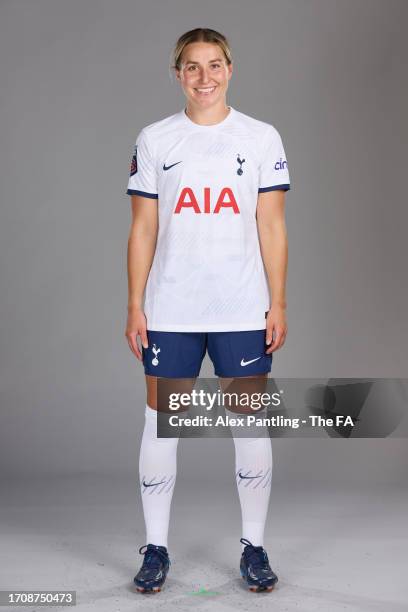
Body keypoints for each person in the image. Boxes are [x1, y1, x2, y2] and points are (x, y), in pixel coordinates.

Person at [125, 27, 291, 594]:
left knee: (250, 425)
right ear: (177, 74)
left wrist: (278, 302)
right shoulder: (155, 139)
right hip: (171, 307)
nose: (204, 77)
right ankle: (155, 550)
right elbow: (143, 228)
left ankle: (254, 546)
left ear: (230, 69)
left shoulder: (262, 137)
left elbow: (272, 226)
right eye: (192, 67)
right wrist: (134, 303)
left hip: (242, 308)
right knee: (161, 425)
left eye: (214, 65)